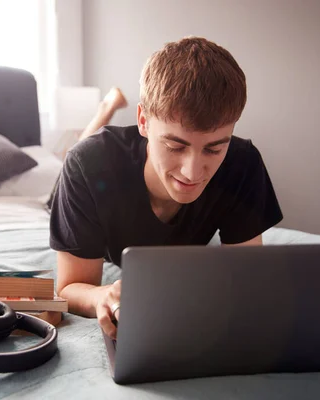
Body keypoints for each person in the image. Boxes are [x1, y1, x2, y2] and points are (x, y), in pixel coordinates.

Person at [48, 37, 283, 340]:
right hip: (77, 176)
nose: (192, 172)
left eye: (213, 150)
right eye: (175, 145)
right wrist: (102, 297)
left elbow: (247, 278)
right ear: (143, 121)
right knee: (73, 156)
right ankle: (106, 109)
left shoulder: (243, 163)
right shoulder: (86, 166)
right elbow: (69, 287)